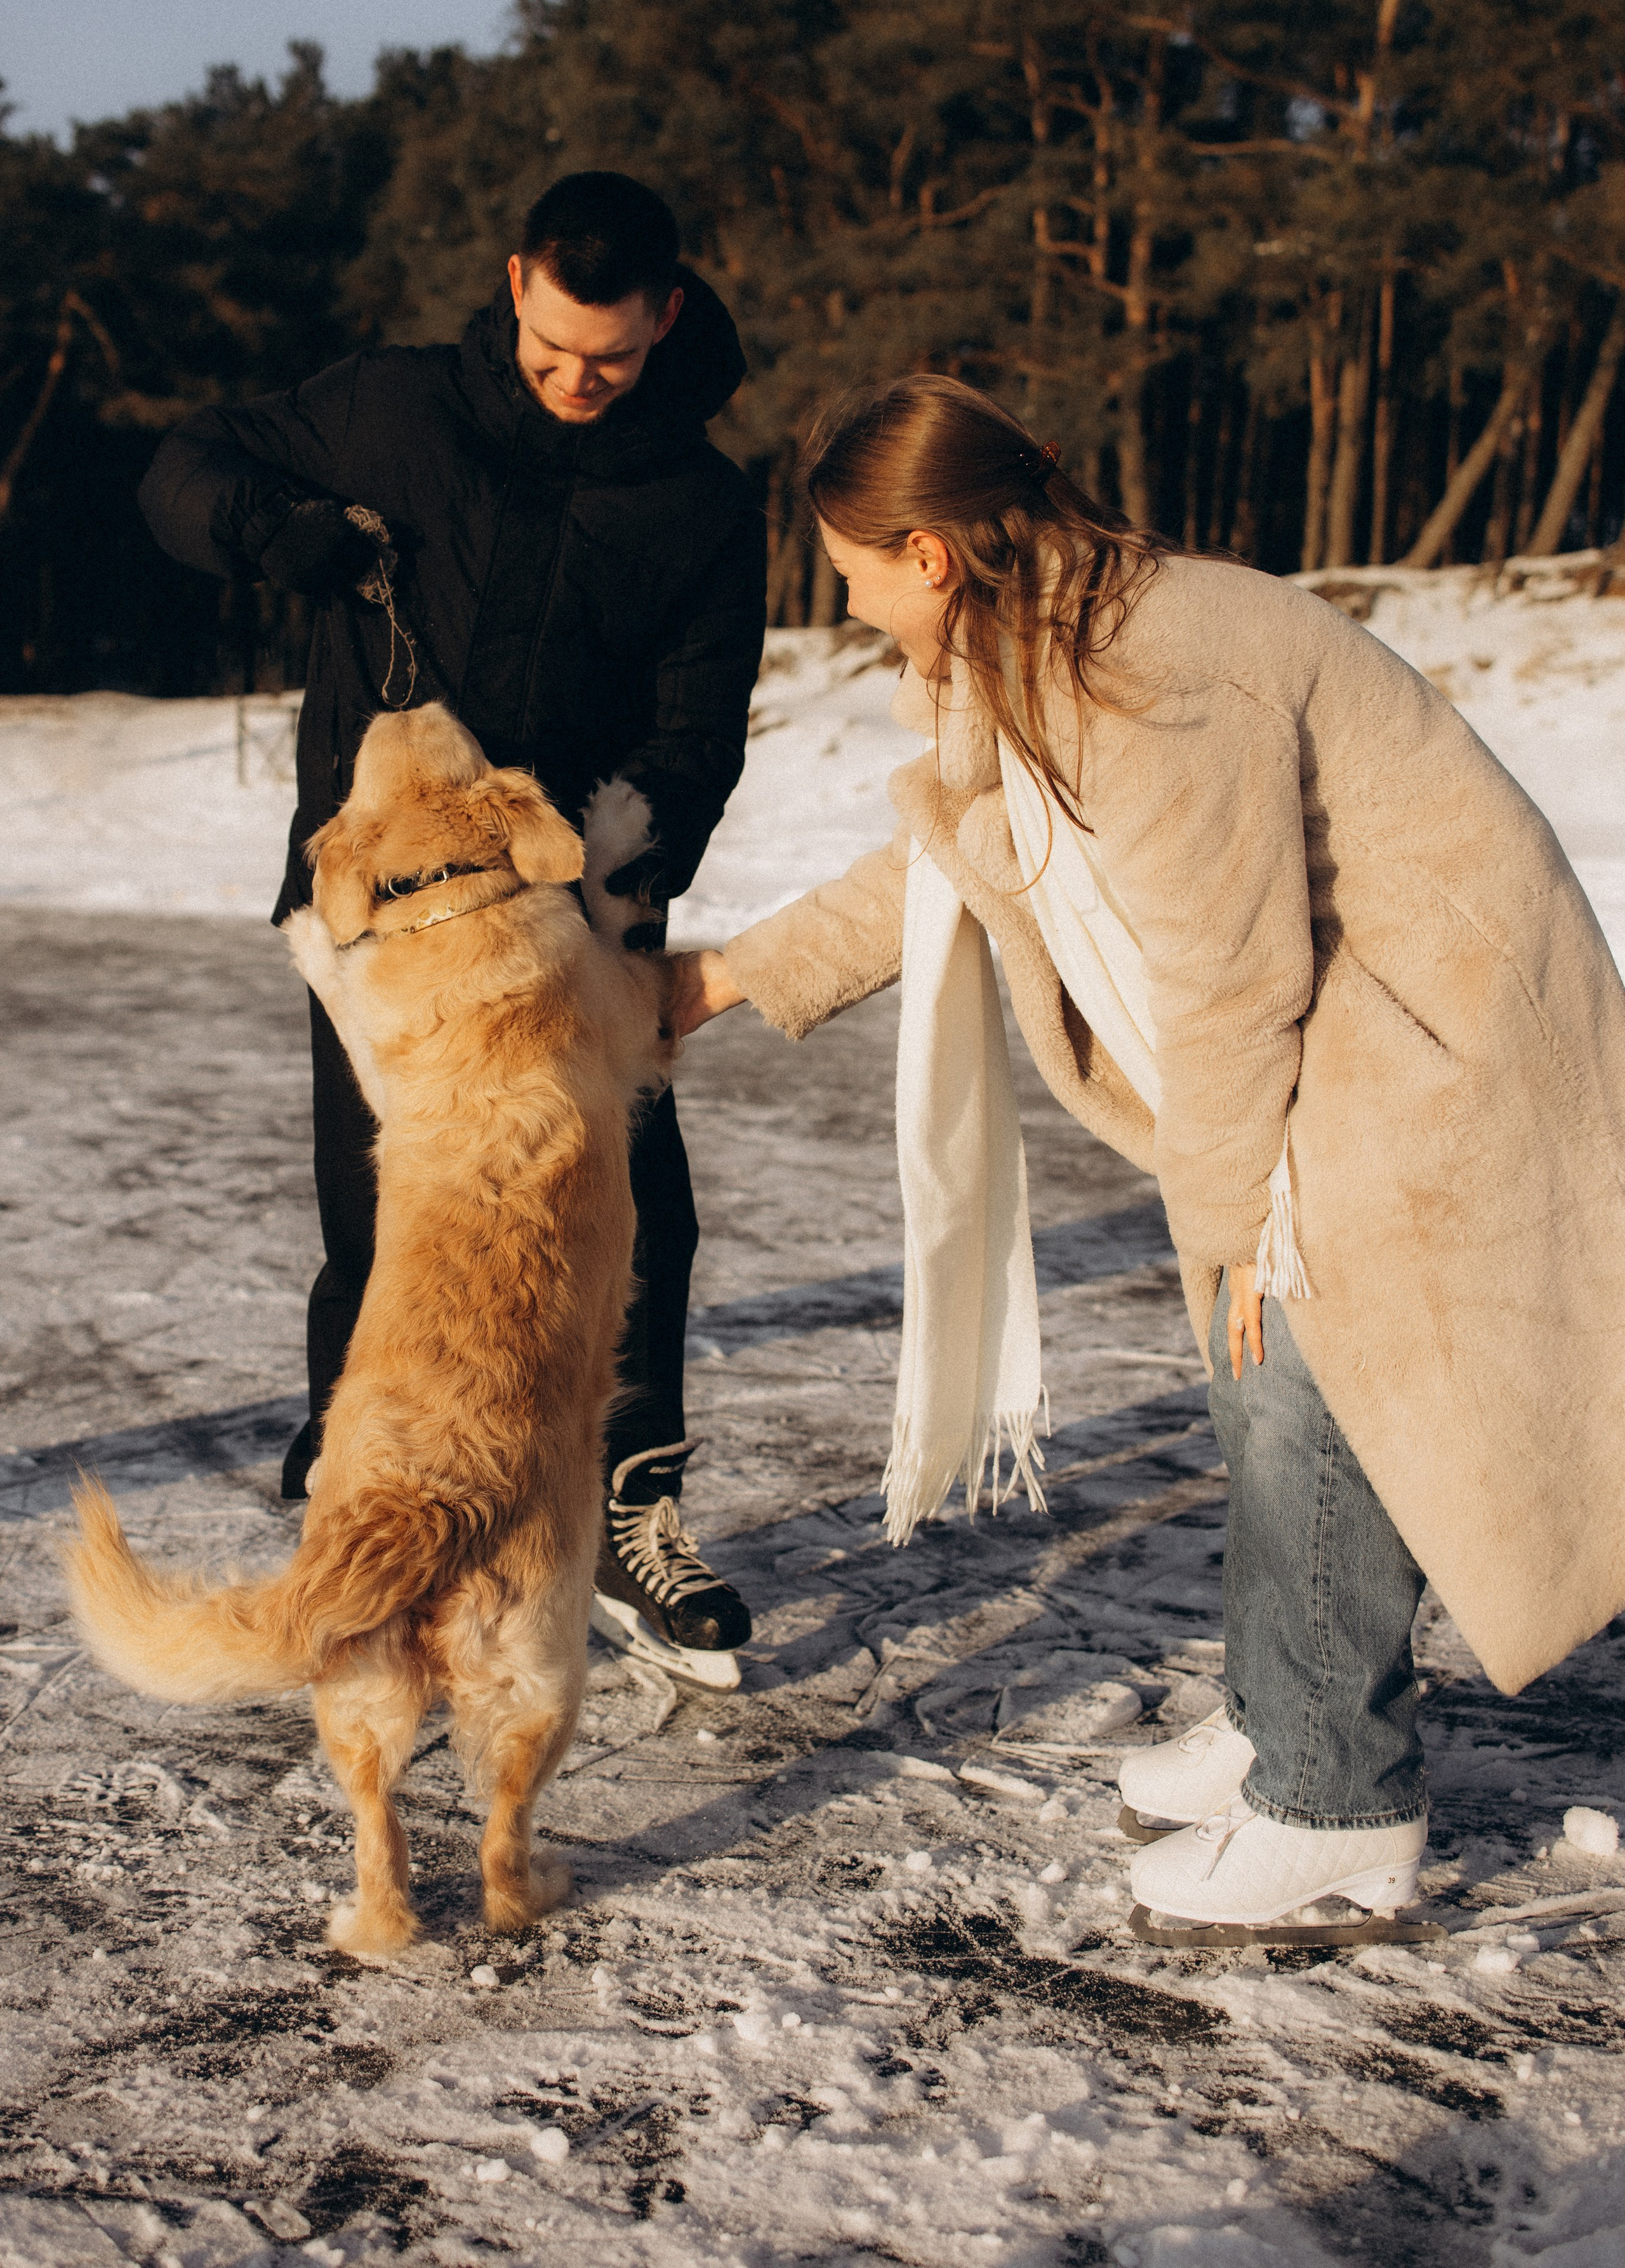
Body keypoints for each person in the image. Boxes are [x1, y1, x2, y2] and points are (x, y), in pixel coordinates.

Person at [670, 372, 1625, 1934]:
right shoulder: (1040, 641)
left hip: (1431, 1032)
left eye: (847, 566)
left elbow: (1233, 979)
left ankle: (1333, 1803)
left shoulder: (1149, 674)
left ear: (925, 552)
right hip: (1349, 1015)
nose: (840, 600)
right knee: (1260, 1378)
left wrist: (1235, 1218)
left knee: (1306, 1378)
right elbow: (945, 859)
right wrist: (719, 982)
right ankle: (1275, 1715)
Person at [140, 171, 766, 1673]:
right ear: (512, 287)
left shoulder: (697, 499)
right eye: (551, 350)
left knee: (630, 1220)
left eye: (607, 359)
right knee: (383, 1214)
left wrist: (617, 869)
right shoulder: (392, 411)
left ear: (663, 319)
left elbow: (699, 732)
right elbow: (181, 467)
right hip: (383, 909)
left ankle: (626, 1508)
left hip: (571, 914)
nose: (574, 382)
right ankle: (354, 1502)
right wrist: (269, 531)